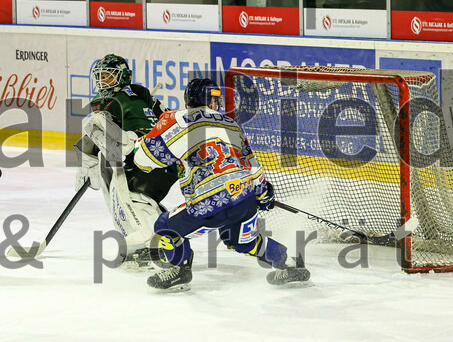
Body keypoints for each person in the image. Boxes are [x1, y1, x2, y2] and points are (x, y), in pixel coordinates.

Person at [131, 77, 308, 291]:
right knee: (243, 242)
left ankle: (179, 270)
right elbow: (254, 166)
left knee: (164, 226)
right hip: (244, 197)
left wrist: (139, 144)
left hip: (211, 203)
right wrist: (263, 195)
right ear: (212, 101)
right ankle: (288, 264)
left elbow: (144, 161)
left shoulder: (176, 119)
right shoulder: (232, 125)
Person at [74, 54, 179, 265]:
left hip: (143, 153)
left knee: (127, 196)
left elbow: (96, 130)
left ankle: (147, 248)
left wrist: (86, 159)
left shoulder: (102, 101)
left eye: (109, 76)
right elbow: (167, 116)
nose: (103, 81)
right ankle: (165, 239)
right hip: (167, 156)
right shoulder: (141, 92)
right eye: (100, 76)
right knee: (142, 199)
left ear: (123, 76)